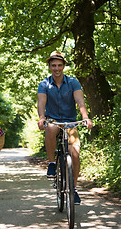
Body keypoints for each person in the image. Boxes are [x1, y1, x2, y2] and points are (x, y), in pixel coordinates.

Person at [37, 51, 93, 205]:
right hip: (54, 120)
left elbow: (80, 102)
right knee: (51, 128)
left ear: (64, 66)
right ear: (49, 66)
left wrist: (85, 117)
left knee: (75, 154)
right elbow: (41, 103)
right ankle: (52, 164)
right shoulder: (44, 84)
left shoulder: (73, 82)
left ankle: (74, 189)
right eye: (53, 65)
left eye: (59, 65)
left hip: (70, 122)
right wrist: (42, 118)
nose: (57, 68)